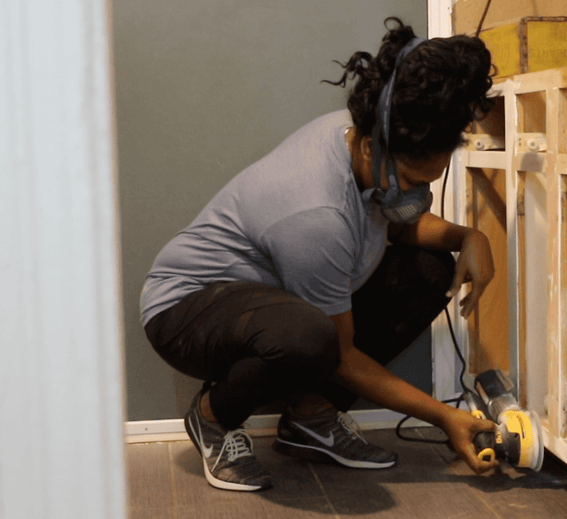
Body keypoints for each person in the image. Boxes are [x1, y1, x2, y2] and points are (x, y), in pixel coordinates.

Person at [140, 18, 499, 491]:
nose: (417, 195)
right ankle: (213, 418)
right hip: (185, 309)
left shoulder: (361, 135)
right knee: (312, 339)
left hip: (268, 304)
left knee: (430, 271)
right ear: (373, 149)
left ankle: (310, 418)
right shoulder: (316, 215)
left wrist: (469, 237)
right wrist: (444, 417)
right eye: (412, 182)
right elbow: (341, 355)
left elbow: (398, 220)